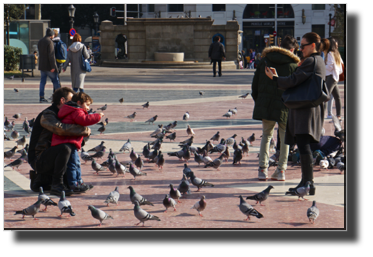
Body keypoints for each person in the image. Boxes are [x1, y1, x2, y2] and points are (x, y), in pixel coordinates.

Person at [264, 32, 328, 195]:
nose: (301, 49)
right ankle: (305, 182)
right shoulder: (317, 60)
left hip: (305, 109)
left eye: (304, 46)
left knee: (303, 145)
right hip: (308, 107)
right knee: (303, 144)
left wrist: (275, 78)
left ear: (313, 45)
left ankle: (308, 183)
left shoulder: (311, 61)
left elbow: (294, 79)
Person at [251, 35, 300, 181]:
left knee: (266, 135)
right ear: (292, 49)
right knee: (285, 137)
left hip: (266, 104)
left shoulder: (264, 61)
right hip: (285, 106)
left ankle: (262, 169)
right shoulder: (293, 66)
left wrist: (260, 100)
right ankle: (281, 171)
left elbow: (255, 85)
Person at [28, 87, 91, 196]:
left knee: (70, 176)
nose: (75, 104)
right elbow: (60, 129)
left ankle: (46, 181)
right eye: (71, 101)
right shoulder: (48, 114)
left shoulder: (67, 115)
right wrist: (83, 130)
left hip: (53, 156)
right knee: (65, 147)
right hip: (39, 159)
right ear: (62, 100)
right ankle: (57, 185)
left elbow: (76, 137)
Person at [51, 92, 103, 192]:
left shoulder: (71, 109)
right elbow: (84, 120)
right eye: (87, 105)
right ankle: (74, 184)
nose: (88, 108)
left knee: (76, 163)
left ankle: (79, 182)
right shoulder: (76, 110)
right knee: (73, 164)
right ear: (79, 102)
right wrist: (98, 116)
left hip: (69, 142)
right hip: (68, 141)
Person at [37, 28, 60, 103]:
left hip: (42, 65)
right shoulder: (49, 42)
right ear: (51, 35)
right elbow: (51, 55)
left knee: (42, 82)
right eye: (53, 34)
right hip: (49, 66)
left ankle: (41, 97)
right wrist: (53, 66)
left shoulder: (40, 41)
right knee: (56, 81)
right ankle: (58, 97)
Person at [324, 37, 343, 120]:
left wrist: (322, 67)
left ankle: (321, 115)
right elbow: (341, 64)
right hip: (335, 77)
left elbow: (330, 65)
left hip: (331, 76)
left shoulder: (330, 53)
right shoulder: (336, 53)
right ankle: (338, 115)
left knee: (325, 96)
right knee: (337, 97)